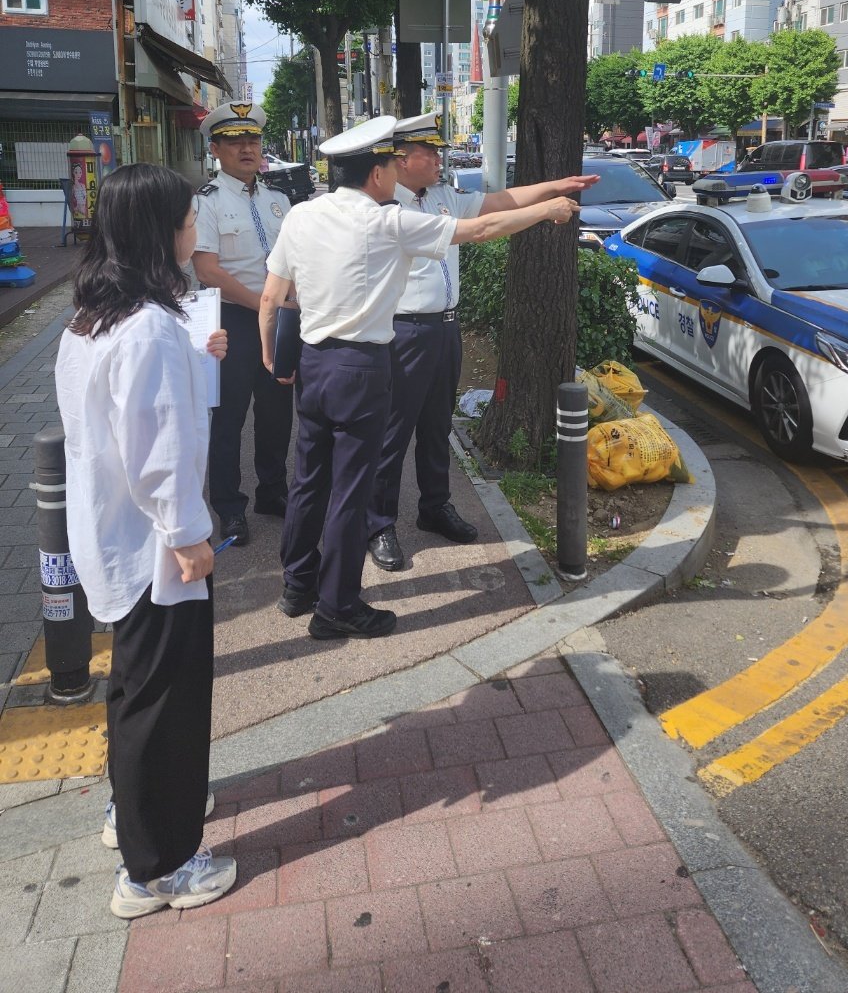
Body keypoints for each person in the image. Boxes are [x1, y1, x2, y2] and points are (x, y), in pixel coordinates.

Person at [259, 115, 579, 642]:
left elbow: (271, 300)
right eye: (390, 162)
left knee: (310, 478)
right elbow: (480, 229)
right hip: (362, 368)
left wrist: (274, 360)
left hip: (314, 363)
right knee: (350, 491)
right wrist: (549, 210)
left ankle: (298, 586)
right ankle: (337, 606)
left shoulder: (301, 215)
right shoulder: (386, 221)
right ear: (380, 171)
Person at [54, 164, 235, 919]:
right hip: (157, 547)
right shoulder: (152, 326)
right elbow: (158, 450)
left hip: (115, 538)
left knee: (135, 690)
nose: (196, 229)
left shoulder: (91, 317)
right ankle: (158, 867)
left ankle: (131, 813)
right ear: (161, 231)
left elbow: (120, 417)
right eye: (189, 218)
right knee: (166, 700)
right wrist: (191, 536)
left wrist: (200, 360)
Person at [365, 113, 600, 571]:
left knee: (437, 426)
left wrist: (555, 186)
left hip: (444, 328)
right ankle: (378, 523)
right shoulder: (384, 207)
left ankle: (434, 506)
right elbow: (486, 229)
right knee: (392, 432)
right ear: (400, 158)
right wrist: (545, 211)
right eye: (428, 151)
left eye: (438, 150)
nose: (438, 157)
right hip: (403, 330)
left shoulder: (438, 195)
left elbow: (496, 201)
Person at [193, 101, 293, 545]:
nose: (247, 149)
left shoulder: (279, 199)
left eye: (252, 140)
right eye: (236, 142)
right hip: (232, 319)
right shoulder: (206, 202)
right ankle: (230, 508)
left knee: (276, 413)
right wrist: (263, 304)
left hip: (277, 320)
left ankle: (273, 492)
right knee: (228, 418)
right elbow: (206, 270)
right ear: (216, 149)